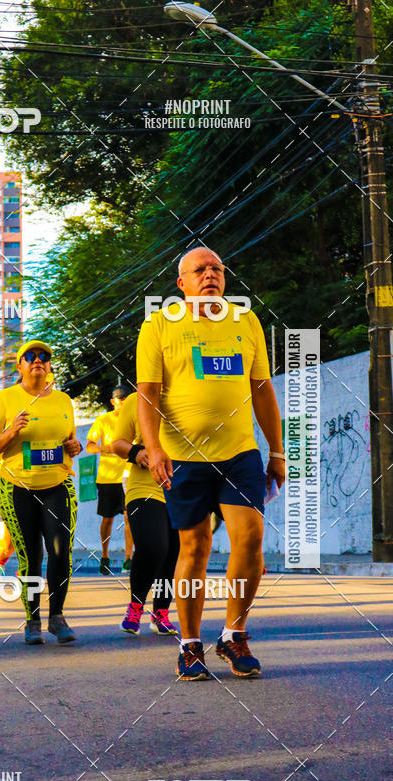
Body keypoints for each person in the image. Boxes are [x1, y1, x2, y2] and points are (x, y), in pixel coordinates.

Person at [137, 247, 286, 680]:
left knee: (250, 539)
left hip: (240, 453)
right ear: (181, 284)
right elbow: (147, 393)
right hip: (183, 456)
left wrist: (276, 451)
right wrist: (155, 449)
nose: (210, 275)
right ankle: (189, 644)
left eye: (216, 268)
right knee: (195, 546)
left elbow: (261, 389)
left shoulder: (246, 321)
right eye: (199, 270)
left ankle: (234, 634)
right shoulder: (160, 325)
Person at [0, 339, 81, 645]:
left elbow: (72, 441)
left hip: (58, 485)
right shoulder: (6, 398)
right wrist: (12, 430)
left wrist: (74, 447)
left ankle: (58, 617)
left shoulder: (64, 400)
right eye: (31, 356)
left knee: (60, 552)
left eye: (44, 357)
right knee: (31, 556)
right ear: (20, 365)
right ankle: (33, 619)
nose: (38, 360)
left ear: (49, 365)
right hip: (18, 488)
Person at [111, 392, 179, 637]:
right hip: (145, 484)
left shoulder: (191, 394)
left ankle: (161, 613)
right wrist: (137, 452)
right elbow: (117, 442)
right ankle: (135, 607)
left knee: (173, 551)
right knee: (153, 545)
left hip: (182, 485)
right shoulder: (136, 400)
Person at [86, 385, 133, 575]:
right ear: (113, 401)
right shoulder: (103, 420)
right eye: (119, 399)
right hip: (107, 478)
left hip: (129, 474)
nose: (122, 402)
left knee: (130, 518)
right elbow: (89, 446)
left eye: (125, 399)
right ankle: (105, 555)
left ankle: (129, 558)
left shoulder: (133, 419)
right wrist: (105, 449)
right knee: (107, 519)